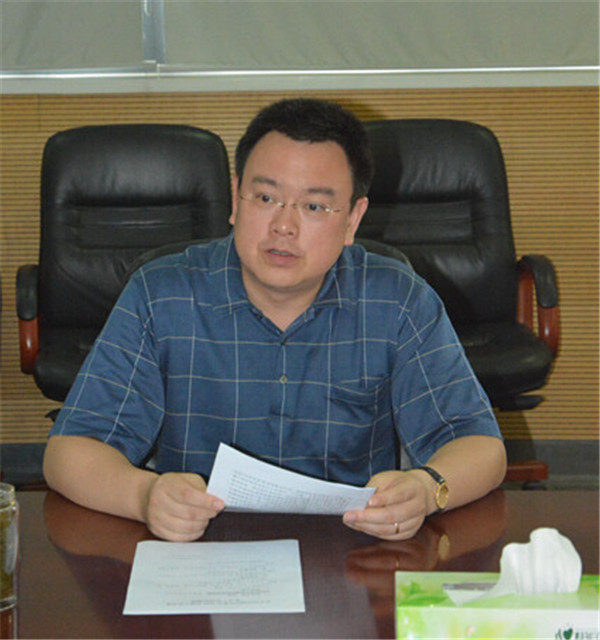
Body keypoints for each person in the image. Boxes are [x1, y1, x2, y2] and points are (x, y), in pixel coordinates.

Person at [43, 98, 506, 543]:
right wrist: (143, 496)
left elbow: (481, 446)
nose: (284, 226)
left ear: (353, 219)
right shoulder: (161, 295)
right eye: (266, 197)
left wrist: (426, 488)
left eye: (314, 206)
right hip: (199, 553)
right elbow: (69, 452)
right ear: (235, 198)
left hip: (352, 553)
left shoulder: (397, 299)